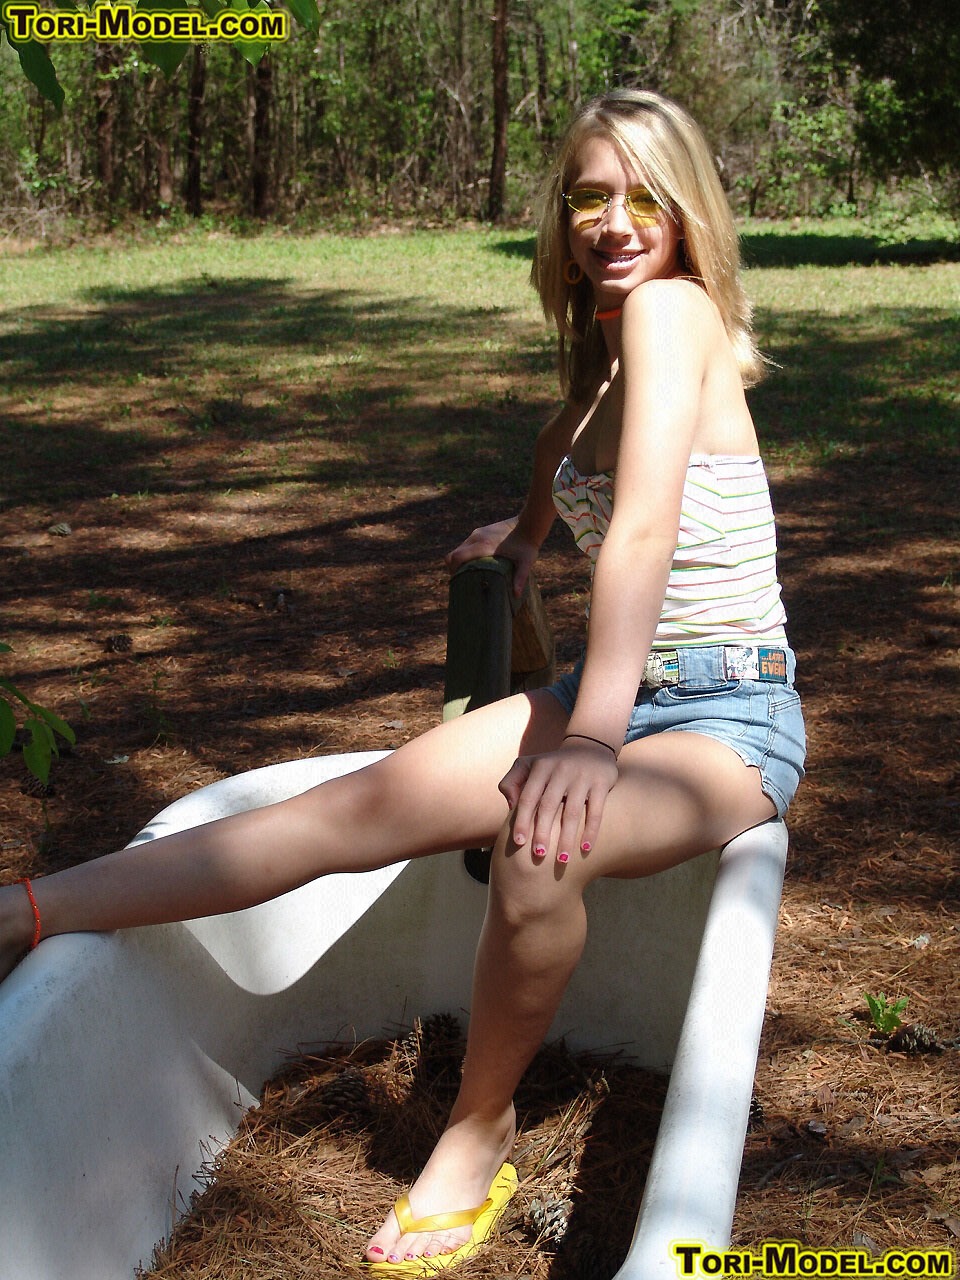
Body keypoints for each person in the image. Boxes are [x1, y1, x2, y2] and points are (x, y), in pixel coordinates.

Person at [0, 89, 804, 1275]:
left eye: (646, 196)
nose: (615, 221)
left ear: (690, 212)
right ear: (561, 215)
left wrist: (589, 740)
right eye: (590, 195)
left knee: (541, 847)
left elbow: (640, 528)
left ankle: (477, 1130)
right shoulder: (595, 373)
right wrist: (521, 540)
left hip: (725, 709)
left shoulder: (673, 311)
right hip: (619, 691)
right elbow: (569, 478)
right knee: (352, 809)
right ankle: (30, 910)